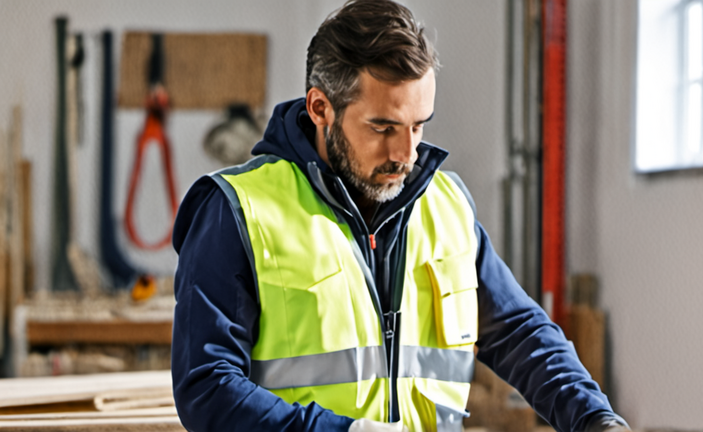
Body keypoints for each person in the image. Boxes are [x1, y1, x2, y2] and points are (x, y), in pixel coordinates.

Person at [171, 1, 630, 431]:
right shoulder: (237, 210)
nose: (405, 153)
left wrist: (594, 418)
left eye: (418, 125)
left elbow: (517, 332)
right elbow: (207, 387)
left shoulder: (446, 204)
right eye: (383, 127)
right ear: (320, 108)